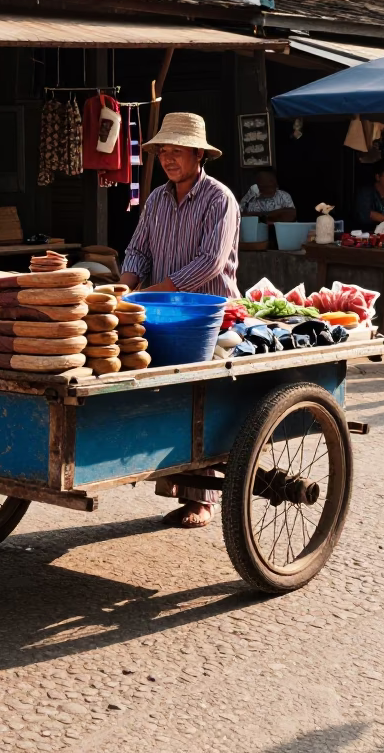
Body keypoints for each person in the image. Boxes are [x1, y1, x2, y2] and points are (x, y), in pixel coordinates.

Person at [120, 112, 240, 529]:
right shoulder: (155, 199)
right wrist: (124, 286)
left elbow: (211, 261)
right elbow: (138, 251)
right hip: (160, 312)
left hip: (209, 314)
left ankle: (201, 500)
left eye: (177, 151)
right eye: (164, 151)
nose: (169, 159)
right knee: (164, 395)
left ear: (198, 155)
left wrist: (149, 293)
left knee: (199, 398)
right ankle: (176, 479)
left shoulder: (219, 198)